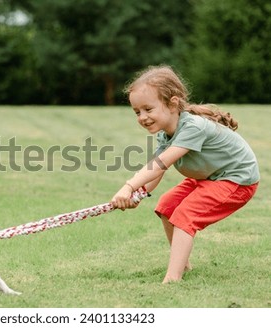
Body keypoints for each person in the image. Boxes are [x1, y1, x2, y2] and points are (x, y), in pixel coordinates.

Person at [110, 65, 260, 283]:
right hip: (209, 178)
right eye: (137, 112)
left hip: (236, 180)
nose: (142, 117)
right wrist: (139, 194)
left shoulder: (192, 127)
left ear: (173, 103)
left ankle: (173, 278)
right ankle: (184, 265)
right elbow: (155, 171)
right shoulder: (166, 134)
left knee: (184, 215)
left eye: (148, 109)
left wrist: (129, 186)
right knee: (167, 207)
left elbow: (161, 164)